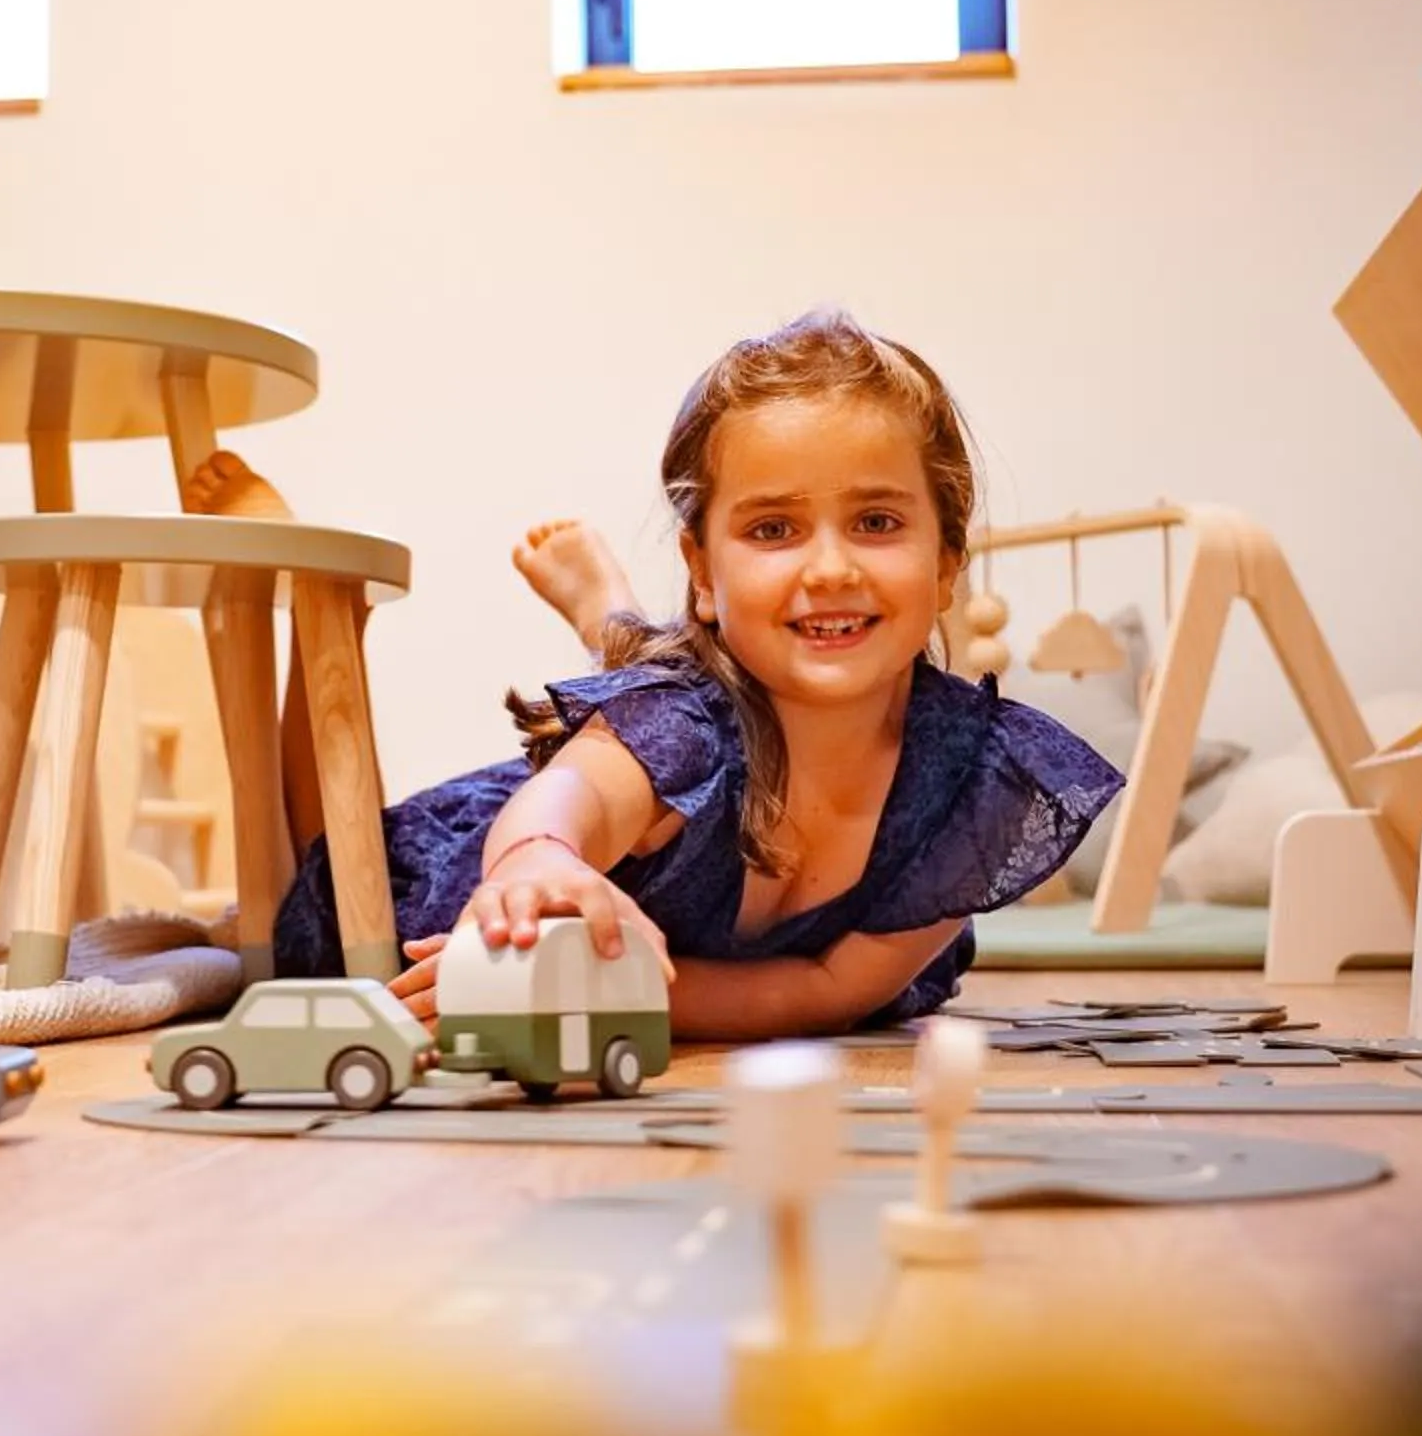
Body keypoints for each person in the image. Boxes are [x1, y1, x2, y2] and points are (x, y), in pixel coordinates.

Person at [267, 309, 1123, 1034]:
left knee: (668, 685)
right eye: (774, 531)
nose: (830, 568)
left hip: (684, 831)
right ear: (704, 573)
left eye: (874, 520)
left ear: (945, 564)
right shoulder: (682, 727)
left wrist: (607, 997)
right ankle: (323, 618)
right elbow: (575, 803)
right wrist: (537, 862)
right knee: (326, 876)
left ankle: (616, 624)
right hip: (493, 860)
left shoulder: (974, 784)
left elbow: (831, 991)